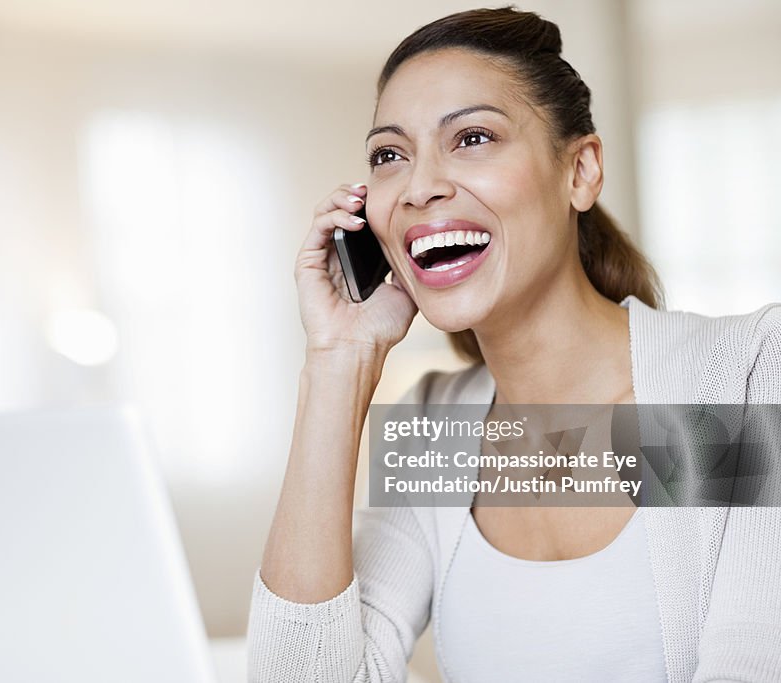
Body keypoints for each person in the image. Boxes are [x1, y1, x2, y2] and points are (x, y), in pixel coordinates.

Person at [247, 7, 781, 682]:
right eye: (390, 155)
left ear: (581, 171)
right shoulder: (430, 434)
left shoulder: (741, 376)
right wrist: (337, 361)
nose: (420, 186)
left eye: (472, 137)